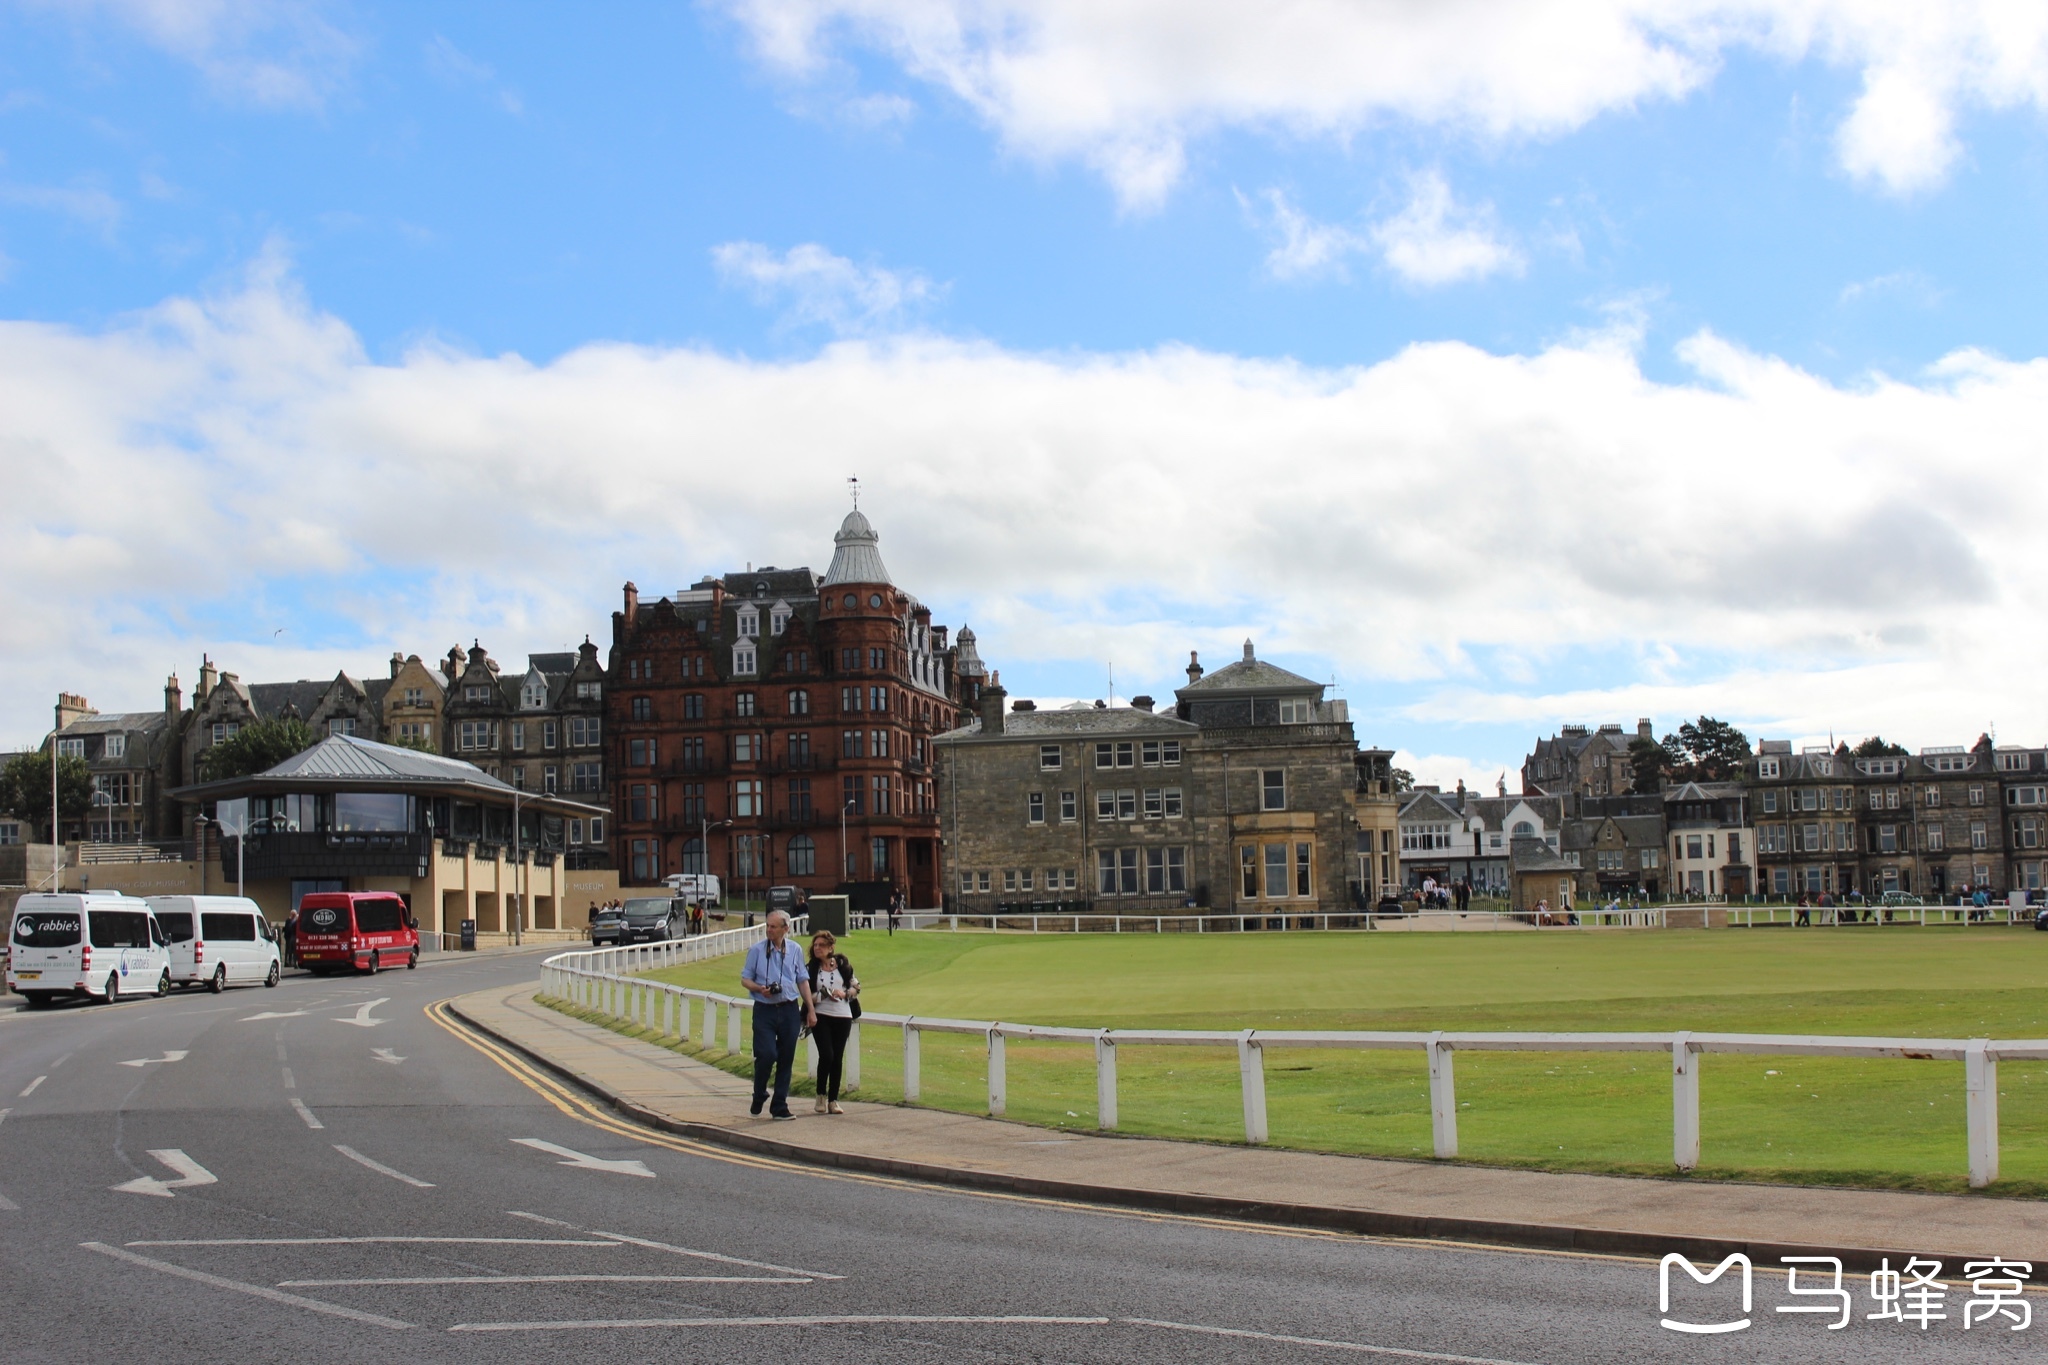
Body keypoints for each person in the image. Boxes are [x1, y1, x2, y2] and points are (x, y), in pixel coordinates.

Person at [739, 910, 814, 1120]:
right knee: (767, 1054)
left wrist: (810, 1009)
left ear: (785, 929)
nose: (769, 930)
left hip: (790, 1009)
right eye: (768, 926)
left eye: (773, 926)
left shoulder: (795, 950)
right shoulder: (756, 950)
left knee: (786, 1058)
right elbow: (745, 979)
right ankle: (759, 1093)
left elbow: (802, 980)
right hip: (764, 1010)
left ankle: (779, 1105)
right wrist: (758, 987)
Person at [806, 930, 860, 1114]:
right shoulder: (811, 969)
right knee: (826, 1055)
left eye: (821, 945)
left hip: (843, 1016)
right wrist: (823, 994)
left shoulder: (843, 966)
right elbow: (806, 996)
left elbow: (856, 987)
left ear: (831, 947)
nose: (817, 948)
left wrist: (844, 994)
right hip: (821, 1016)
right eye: (815, 945)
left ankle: (833, 1100)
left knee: (837, 1057)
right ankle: (820, 1095)